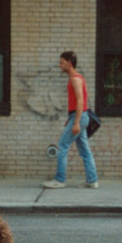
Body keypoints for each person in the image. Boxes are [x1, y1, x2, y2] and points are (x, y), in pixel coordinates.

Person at [42, 50, 99, 189]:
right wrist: (71, 118)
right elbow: (77, 103)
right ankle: (92, 181)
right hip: (77, 116)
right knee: (85, 151)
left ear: (69, 63)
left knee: (62, 146)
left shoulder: (75, 79)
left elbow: (80, 101)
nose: (59, 65)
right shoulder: (74, 78)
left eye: (62, 62)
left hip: (80, 117)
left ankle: (59, 180)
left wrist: (76, 122)